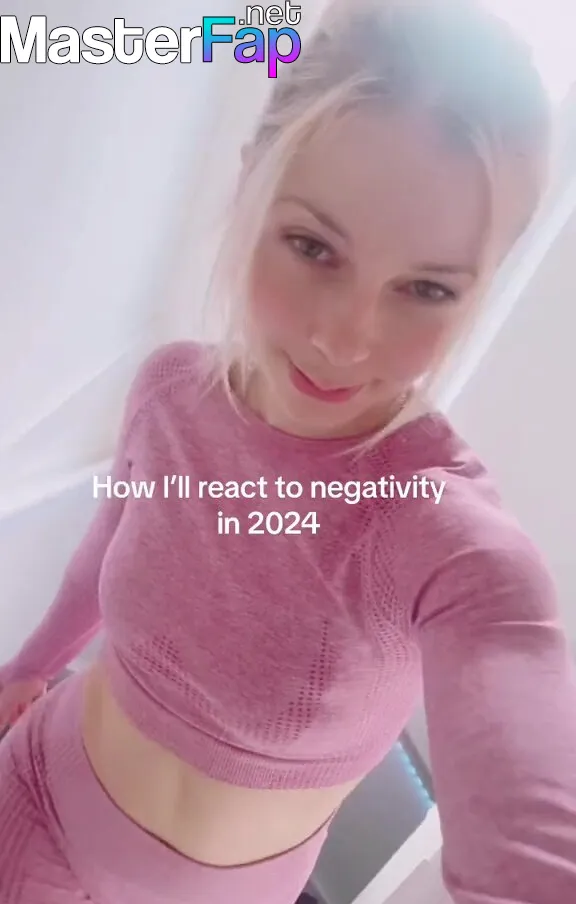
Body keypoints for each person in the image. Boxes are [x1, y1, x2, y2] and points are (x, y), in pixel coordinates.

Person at [1, 1, 576, 902]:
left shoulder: (448, 541)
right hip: (32, 797)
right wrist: (28, 667)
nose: (344, 339)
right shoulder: (169, 389)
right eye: (313, 246)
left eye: (425, 289)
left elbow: (532, 839)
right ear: (251, 189)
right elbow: (106, 543)